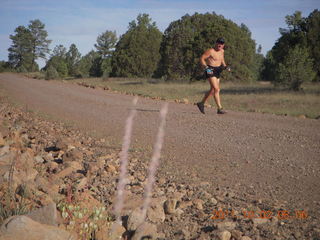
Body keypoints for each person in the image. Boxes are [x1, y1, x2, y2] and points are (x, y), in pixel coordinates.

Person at [196, 37, 230, 114]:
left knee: (212, 90)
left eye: (221, 43)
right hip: (210, 69)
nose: (220, 44)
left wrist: (225, 66)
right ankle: (220, 108)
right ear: (216, 43)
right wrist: (206, 67)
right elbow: (202, 58)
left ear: (223, 45)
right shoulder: (211, 51)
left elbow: (222, 59)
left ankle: (201, 103)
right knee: (217, 89)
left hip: (218, 70)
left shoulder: (222, 51)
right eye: (218, 42)